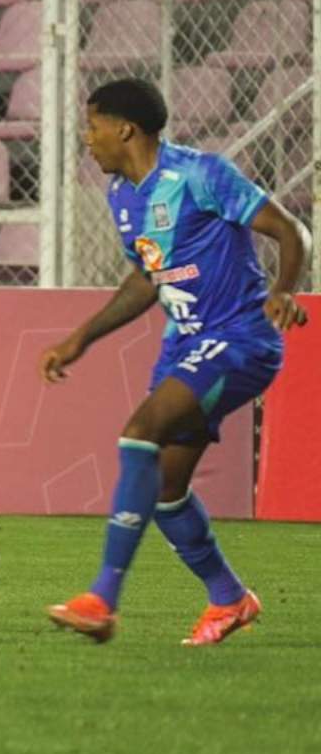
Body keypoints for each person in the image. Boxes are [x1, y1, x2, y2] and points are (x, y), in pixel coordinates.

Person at [43, 78, 310, 645]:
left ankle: (102, 600)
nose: (87, 141)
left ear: (124, 128)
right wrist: (82, 338)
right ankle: (230, 598)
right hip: (184, 347)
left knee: (139, 433)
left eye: (92, 127)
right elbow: (147, 278)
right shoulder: (122, 197)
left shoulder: (201, 175)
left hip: (240, 340)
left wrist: (283, 291)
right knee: (165, 491)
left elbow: (291, 232)